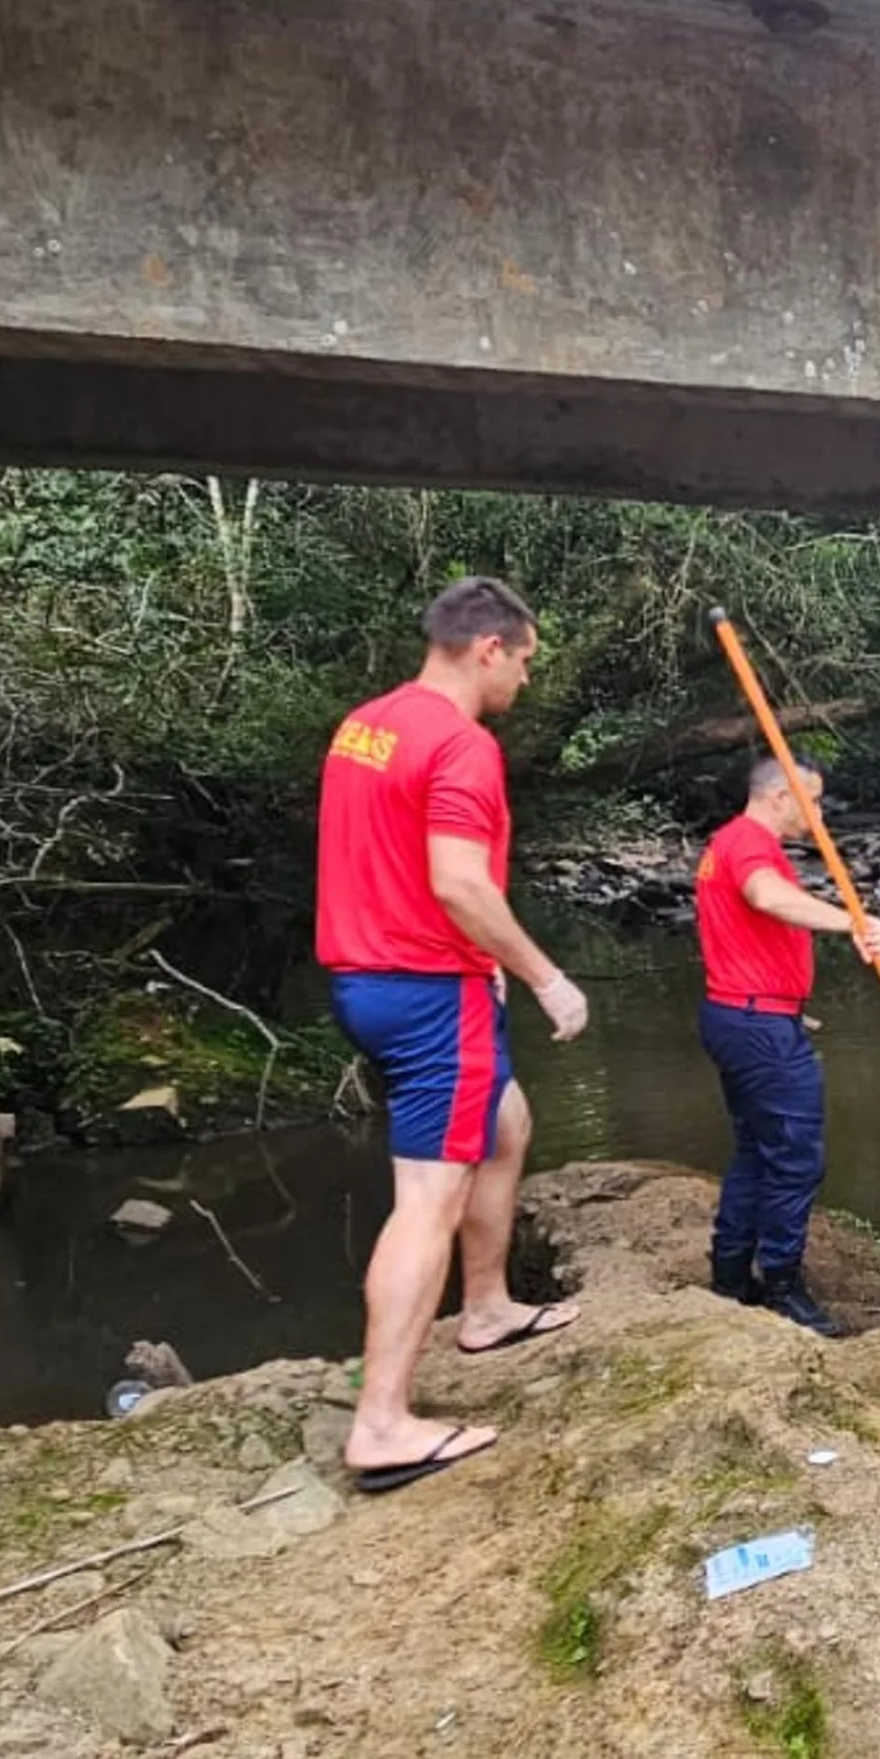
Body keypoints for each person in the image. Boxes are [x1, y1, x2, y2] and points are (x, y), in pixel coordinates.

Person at [315, 575, 590, 1492]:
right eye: (525, 662)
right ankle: (382, 1422)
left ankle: (486, 1306)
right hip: (432, 988)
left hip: (363, 976)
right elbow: (461, 884)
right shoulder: (462, 746)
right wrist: (544, 978)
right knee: (427, 1200)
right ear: (489, 649)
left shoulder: (368, 723)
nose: (526, 681)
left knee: (504, 1126)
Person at [695, 752, 880, 1334]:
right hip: (753, 1024)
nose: (819, 814)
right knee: (796, 1157)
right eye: (814, 800)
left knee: (759, 1151)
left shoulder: (729, 841)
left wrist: (784, 1008)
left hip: (748, 1015)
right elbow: (766, 898)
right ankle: (781, 1283)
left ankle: (732, 1276)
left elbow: (747, 932)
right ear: (781, 797)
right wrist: (851, 922)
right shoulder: (750, 845)